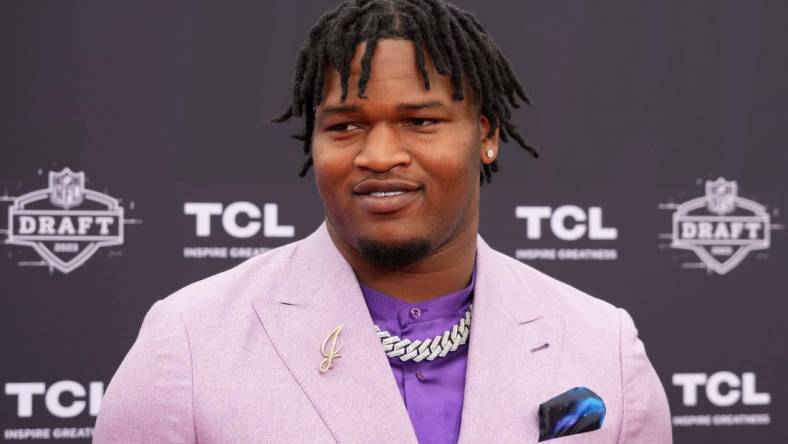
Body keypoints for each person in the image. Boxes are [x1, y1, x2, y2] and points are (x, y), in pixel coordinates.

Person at [94, 0, 672, 442]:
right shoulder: (191, 340)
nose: (378, 155)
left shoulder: (602, 343)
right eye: (344, 125)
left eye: (420, 121)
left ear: (487, 136)